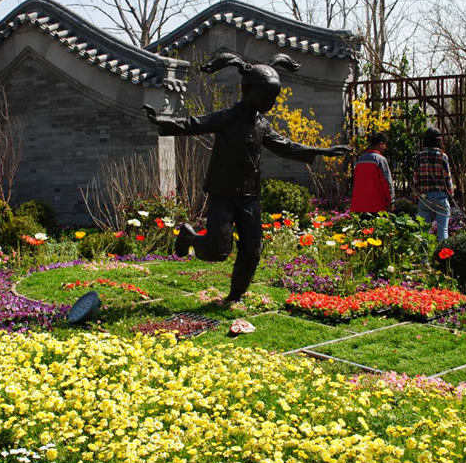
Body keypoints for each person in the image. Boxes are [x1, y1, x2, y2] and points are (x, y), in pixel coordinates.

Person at [145, 52, 350, 304]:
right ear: (248, 91)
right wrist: (163, 122)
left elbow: (285, 146)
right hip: (223, 193)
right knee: (218, 251)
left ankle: (234, 296)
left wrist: (320, 151)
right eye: (266, 96)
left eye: (273, 98)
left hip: (250, 197)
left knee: (252, 250)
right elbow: (194, 123)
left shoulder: (262, 124)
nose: (270, 102)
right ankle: (189, 236)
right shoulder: (228, 117)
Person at [412, 127, 454, 242]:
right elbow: (447, 178)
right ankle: (443, 252)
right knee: (443, 230)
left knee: (423, 231)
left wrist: (416, 195)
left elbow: (415, 178)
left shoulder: (419, 156)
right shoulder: (442, 156)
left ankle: (424, 253)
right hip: (440, 197)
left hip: (424, 197)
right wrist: (451, 193)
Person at [349, 132, 394, 214]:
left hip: (359, 205)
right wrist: (391, 200)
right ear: (381, 144)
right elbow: (387, 182)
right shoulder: (380, 160)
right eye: (385, 144)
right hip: (377, 205)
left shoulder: (360, 160)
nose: (385, 147)